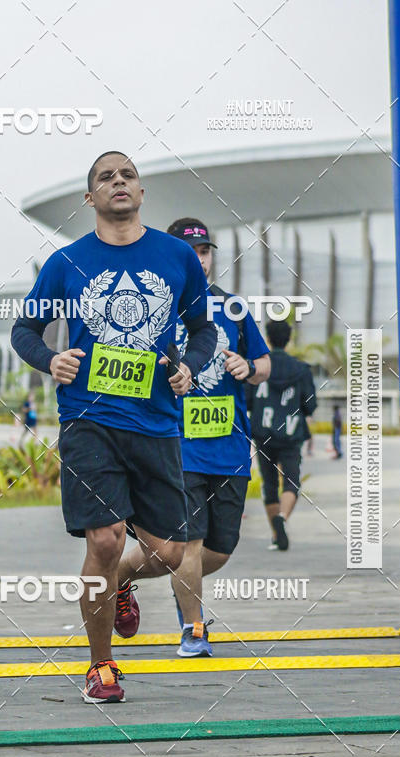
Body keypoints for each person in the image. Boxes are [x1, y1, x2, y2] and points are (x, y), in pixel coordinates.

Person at [11, 151, 216, 703]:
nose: (118, 182)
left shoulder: (177, 257)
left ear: (141, 192)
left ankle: (121, 582)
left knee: (171, 554)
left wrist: (190, 367)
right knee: (104, 539)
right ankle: (101, 667)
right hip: (88, 420)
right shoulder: (66, 263)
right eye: (106, 177)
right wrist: (49, 360)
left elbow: (203, 331)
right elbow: (24, 330)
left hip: (155, 424)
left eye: (127, 175)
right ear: (90, 198)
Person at [164, 217, 270, 656]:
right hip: (175, 443)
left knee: (220, 549)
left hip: (228, 445)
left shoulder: (233, 309)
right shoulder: (153, 311)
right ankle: (194, 628)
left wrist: (249, 369)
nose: (199, 260)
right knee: (188, 541)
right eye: (190, 252)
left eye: (204, 252)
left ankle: (125, 576)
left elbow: (264, 364)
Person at [250, 320, 317, 551]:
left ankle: (276, 536)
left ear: (268, 338)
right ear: (288, 339)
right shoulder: (301, 370)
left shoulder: (259, 368)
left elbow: (248, 400)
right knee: (291, 481)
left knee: (269, 484)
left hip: (263, 433)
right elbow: (310, 405)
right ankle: (283, 519)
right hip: (291, 434)